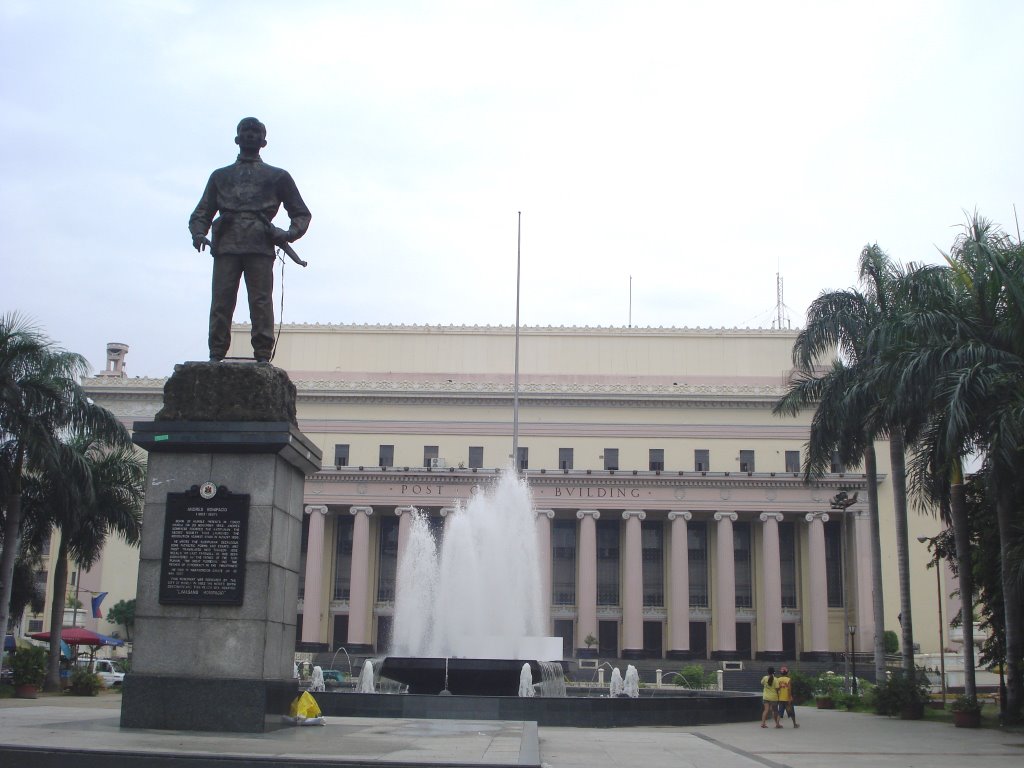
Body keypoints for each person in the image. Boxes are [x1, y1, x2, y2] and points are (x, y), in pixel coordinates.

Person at [189, 117, 311, 363]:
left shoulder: (277, 176)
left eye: (256, 132)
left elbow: (301, 213)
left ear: (264, 141)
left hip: (260, 242)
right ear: (237, 138)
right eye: (246, 131)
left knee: (261, 301)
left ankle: (263, 354)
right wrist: (199, 233)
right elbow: (202, 212)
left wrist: (287, 234)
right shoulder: (220, 176)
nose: (251, 135)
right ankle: (216, 352)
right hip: (226, 243)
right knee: (221, 300)